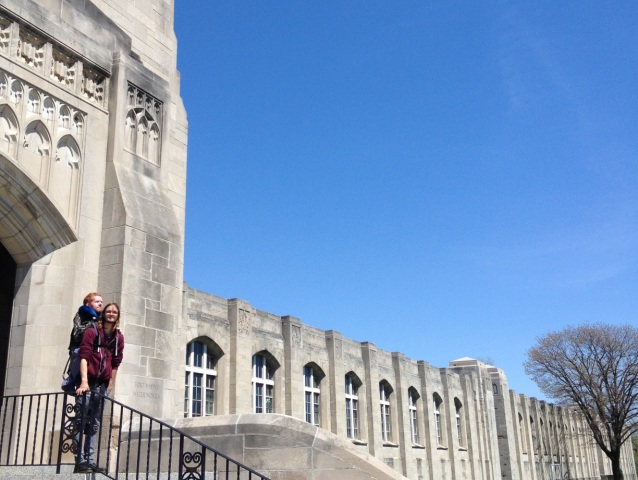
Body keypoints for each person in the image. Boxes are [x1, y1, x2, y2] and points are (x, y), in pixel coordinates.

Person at [74, 302, 124, 474]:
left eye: (114, 312)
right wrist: (84, 381)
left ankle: (89, 459)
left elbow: (116, 363)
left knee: (95, 423)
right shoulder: (92, 331)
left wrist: (110, 383)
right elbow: (84, 357)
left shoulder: (118, 338)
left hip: (102, 385)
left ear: (118, 316)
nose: (111, 314)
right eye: (108, 311)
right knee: (81, 422)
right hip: (88, 382)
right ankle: (79, 460)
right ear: (104, 314)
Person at [63, 293, 103, 392]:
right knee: (80, 353)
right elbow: (76, 334)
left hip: (95, 352)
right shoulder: (81, 314)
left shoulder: (102, 318)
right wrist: (93, 324)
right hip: (79, 348)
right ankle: (70, 381)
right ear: (88, 304)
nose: (100, 304)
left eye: (101, 302)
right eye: (96, 301)